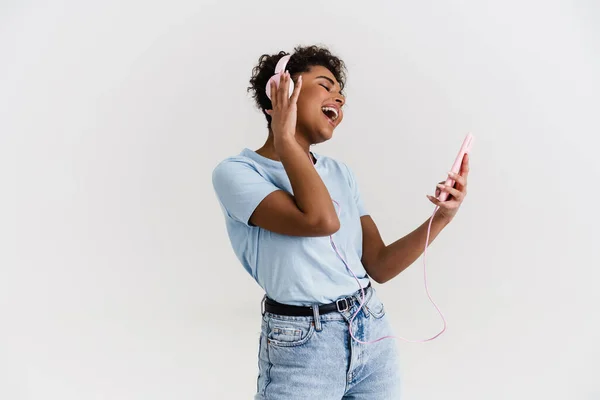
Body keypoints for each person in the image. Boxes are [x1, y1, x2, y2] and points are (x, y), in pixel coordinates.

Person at [211, 45, 469, 399]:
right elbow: (320, 220)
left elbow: (378, 264)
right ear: (281, 89)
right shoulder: (237, 173)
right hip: (302, 346)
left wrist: (441, 219)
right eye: (325, 85)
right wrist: (286, 139)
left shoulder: (339, 173)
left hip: (371, 330)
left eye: (341, 92)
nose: (339, 98)